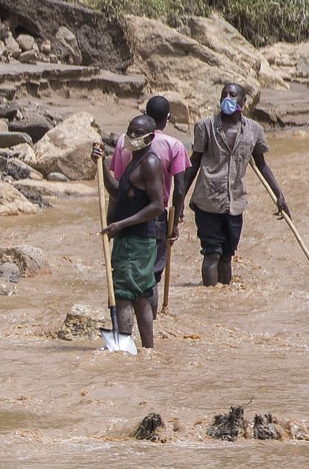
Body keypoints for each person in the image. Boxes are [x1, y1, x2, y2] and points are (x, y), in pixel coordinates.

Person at [175, 82, 289, 287]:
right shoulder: (206, 126)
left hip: (235, 203)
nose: (227, 98)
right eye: (224, 94)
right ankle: (209, 297)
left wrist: (279, 194)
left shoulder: (254, 130)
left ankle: (222, 300)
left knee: (227, 256)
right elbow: (194, 163)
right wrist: (180, 197)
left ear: (243, 102)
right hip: (207, 200)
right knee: (211, 254)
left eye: (232, 95)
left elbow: (262, 165)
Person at [108, 95, 190, 306]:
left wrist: (112, 218)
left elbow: (116, 184)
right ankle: (150, 321)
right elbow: (179, 189)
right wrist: (176, 219)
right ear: (168, 118)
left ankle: (139, 323)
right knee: (150, 276)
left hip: (126, 213)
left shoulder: (123, 141)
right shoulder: (175, 146)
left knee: (126, 271)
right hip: (155, 216)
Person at [93, 117, 168, 349]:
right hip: (133, 240)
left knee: (124, 294)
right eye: (130, 132)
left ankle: (124, 347)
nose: (132, 137)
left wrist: (121, 224)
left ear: (150, 137)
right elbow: (118, 193)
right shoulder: (134, 161)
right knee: (141, 295)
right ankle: (148, 349)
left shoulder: (150, 163)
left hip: (135, 241)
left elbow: (157, 205)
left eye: (138, 133)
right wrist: (102, 165)